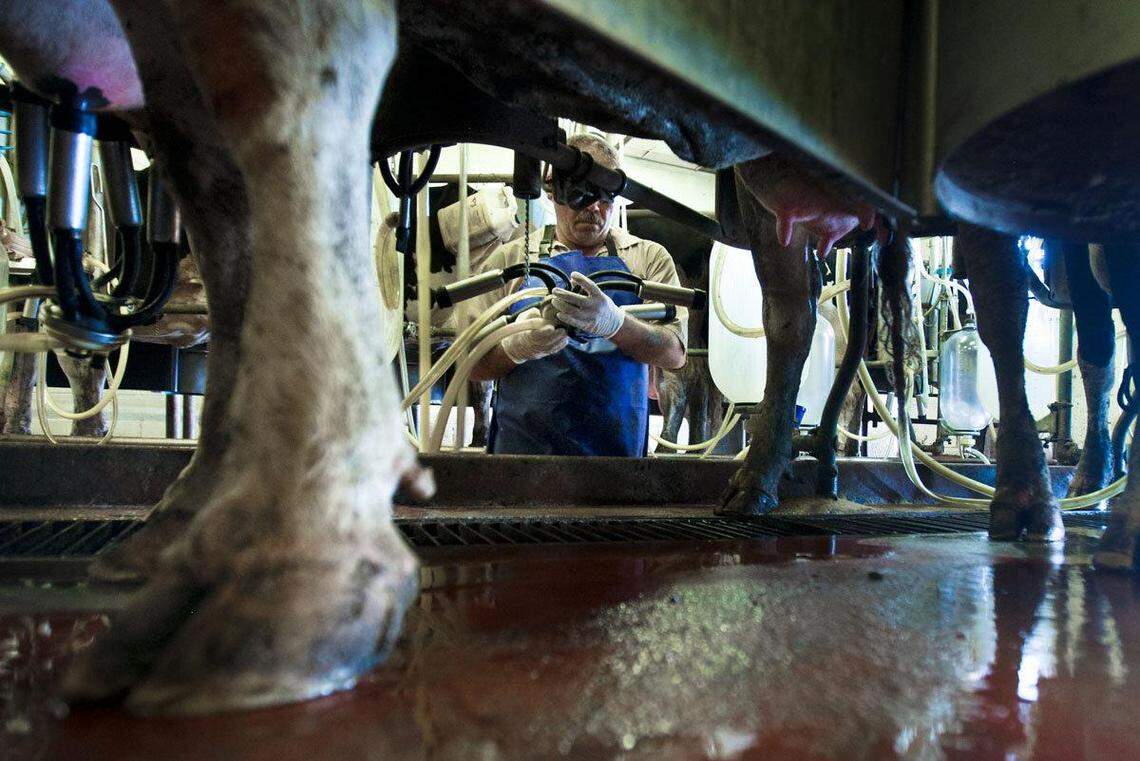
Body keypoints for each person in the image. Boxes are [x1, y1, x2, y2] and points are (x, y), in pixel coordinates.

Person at [469, 133, 688, 456]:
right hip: (521, 463)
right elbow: (471, 364)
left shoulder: (646, 258)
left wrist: (616, 324)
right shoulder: (513, 261)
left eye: (606, 197)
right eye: (581, 194)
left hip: (616, 464)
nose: (595, 208)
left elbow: (674, 353)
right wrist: (517, 347)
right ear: (552, 188)